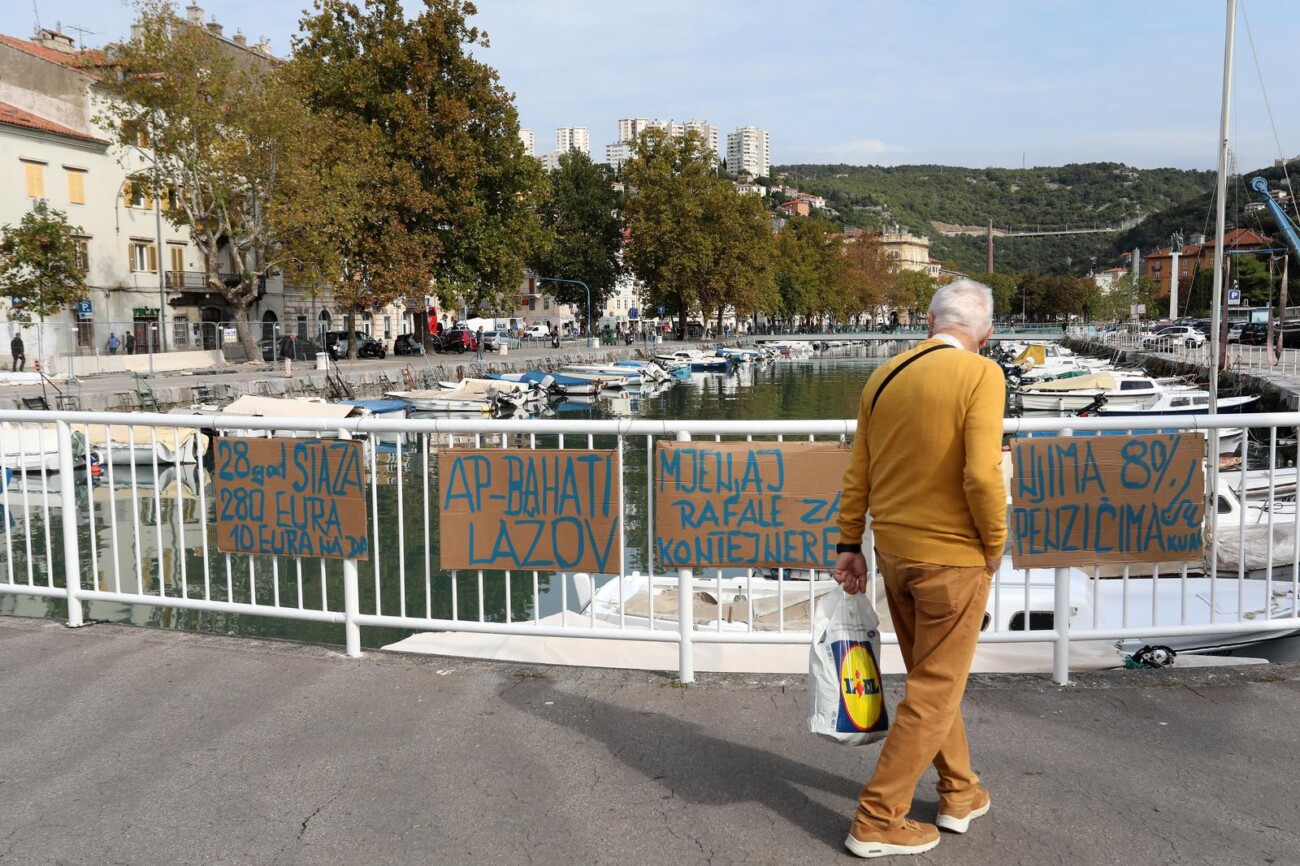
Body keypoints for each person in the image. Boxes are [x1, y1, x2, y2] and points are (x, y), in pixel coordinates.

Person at [832, 278, 1006, 859]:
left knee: (934, 681)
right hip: (954, 557)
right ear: (984, 332)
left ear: (931, 322)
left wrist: (847, 543)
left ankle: (959, 792)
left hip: (895, 554)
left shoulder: (884, 376)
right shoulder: (983, 374)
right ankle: (878, 817)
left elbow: (859, 470)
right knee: (935, 688)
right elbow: (982, 476)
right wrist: (995, 544)